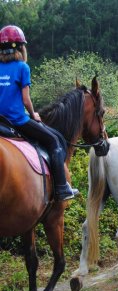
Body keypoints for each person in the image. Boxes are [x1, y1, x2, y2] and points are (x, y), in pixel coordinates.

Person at [0, 25, 78, 201]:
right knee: (54, 141)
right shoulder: (22, 68)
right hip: (16, 120)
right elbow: (26, 100)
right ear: (21, 47)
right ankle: (61, 188)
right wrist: (33, 114)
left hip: (0, 121)